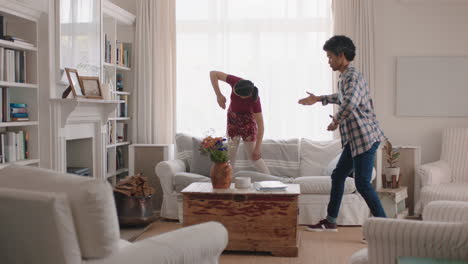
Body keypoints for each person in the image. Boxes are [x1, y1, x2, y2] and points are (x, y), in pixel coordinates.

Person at [298, 35, 387, 232]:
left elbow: (350, 103)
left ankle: (385, 227)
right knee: (338, 176)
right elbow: (342, 97)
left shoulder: (352, 76)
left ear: (341, 55)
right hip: (354, 140)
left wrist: (336, 120)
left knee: (362, 183)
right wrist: (319, 99)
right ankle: (330, 221)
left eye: (330, 56)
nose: (328, 60)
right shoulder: (346, 77)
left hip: (365, 138)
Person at [210, 71, 271, 174]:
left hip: (247, 124)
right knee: (230, 157)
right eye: (234, 92)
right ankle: (227, 183)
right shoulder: (236, 82)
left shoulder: (254, 101)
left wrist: (257, 148)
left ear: (246, 96)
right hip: (233, 121)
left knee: (254, 157)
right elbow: (213, 73)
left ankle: (271, 181)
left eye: (238, 95)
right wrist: (218, 95)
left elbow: (261, 125)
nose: (234, 94)